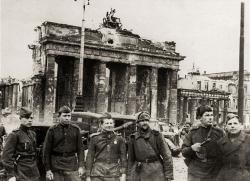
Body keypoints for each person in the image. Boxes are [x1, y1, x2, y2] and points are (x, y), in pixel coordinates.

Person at [181, 105, 224, 181]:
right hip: (196, 172)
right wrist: (192, 148)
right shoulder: (193, 132)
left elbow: (226, 151)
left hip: (214, 172)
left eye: (211, 115)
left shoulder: (219, 132)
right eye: (207, 115)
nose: (210, 117)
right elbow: (184, 152)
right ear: (200, 117)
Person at [128, 111, 173, 181]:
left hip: (156, 171)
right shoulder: (133, 138)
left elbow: (167, 155)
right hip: (140, 171)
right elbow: (130, 159)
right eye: (142, 121)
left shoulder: (157, 135)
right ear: (138, 123)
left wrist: (169, 174)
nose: (145, 123)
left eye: (146, 120)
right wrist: (129, 175)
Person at [43, 106, 84, 181]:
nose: (67, 118)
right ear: (59, 116)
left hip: (71, 165)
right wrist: (48, 169)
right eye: (64, 116)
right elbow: (46, 151)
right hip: (56, 165)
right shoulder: (52, 130)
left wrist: (81, 166)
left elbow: (80, 150)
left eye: (69, 116)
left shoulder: (76, 130)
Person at [85, 113, 127, 181]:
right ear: (101, 125)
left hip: (113, 173)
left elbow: (123, 157)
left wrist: (123, 174)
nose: (109, 125)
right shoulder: (95, 138)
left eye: (111, 123)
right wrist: (88, 175)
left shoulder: (119, 139)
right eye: (107, 123)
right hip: (97, 173)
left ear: (114, 124)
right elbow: (90, 156)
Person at [2, 107, 40, 181]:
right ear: (20, 118)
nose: (30, 120)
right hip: (21, 173)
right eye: (27, 117)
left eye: (31, 118)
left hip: (33, 172)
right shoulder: (14, 135)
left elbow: (34, 154)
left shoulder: (33, 134)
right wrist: (11, 175)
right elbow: (6, 157)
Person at [216, 113, 250, 181]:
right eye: (230, 124)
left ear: (240, 125)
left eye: (235, 123)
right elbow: (218, 163)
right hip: (225, 177)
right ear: (226, 127)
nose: (232, 126)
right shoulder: (221, 142)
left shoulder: (248, 139)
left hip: (244, 177)